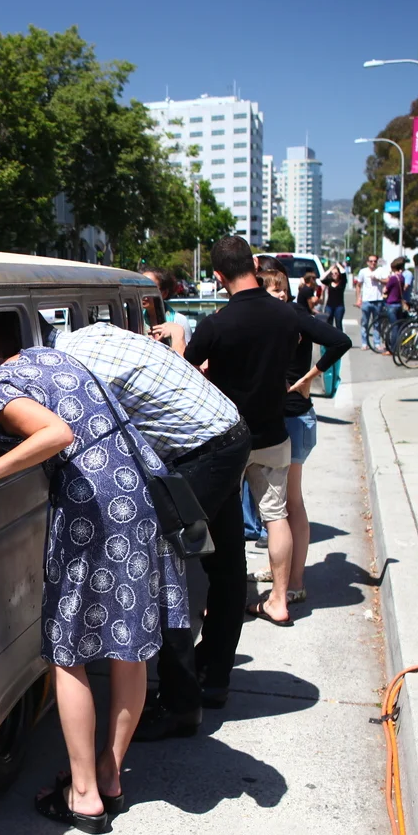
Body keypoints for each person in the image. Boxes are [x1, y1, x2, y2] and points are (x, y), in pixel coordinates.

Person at [0, 317, 190, 831]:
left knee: (68, 652)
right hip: (137, 496)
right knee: (128, 647)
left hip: (93, 512)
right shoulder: (46, 359)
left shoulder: (0, 389)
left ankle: (84, 795)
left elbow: (57, 433)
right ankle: (109, 776)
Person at [52, 285, 250, 742]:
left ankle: (181, 704)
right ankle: (213, 676)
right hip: (227, 427)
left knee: (160, 572)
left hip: (200, 449)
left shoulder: (74, 374)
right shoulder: (92, 336)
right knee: (224, 565)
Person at [182, 237, 304, 697]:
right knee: (274, 516)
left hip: (225, 442)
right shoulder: (285, 315)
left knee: (224, 556)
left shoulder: (216, 323)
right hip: (273, 432)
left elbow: (184, 372)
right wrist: (301, 379)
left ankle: (206, 655)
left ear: (217, 277)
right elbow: (334, 341)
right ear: (253, 264)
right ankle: (277, 600)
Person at [250, 266, 351, 609]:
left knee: (290, 503)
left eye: (282, 288)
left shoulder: (294, 316)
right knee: (276, 504)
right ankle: (281, 572)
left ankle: (295, 583)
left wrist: (311, 376)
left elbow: (340, 341)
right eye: (271, 289)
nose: (279, 294)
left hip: (294, 418)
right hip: (279, 420)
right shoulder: (269, 319)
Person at [353, 255, 384, 349]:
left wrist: (378, 279)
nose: (373, 263)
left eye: (375, 261)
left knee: (377, 323)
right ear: (367, 262)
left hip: (378, 300)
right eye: (371, 261)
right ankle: (364, 343)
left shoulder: (380, 271)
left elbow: (387, 281)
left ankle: (377, 343)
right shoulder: (363, 271)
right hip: (366, 300)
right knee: (364, 323)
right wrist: (358, 298)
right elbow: (358, 285)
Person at [384, 257, 407, 327]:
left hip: (391, 303)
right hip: (399, 303)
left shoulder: (393, 278)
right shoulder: (402, 277)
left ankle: (394, 335)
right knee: (398, 325)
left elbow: (385, 290)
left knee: (394, 326)